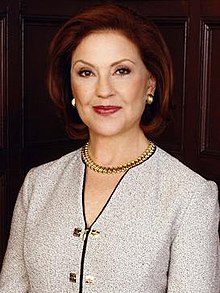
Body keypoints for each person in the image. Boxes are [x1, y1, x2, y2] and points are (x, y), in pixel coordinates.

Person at [0, 3, 219, 293]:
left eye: (122, 71)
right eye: (86, 73)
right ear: (72, 88)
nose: (104, 90)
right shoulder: (38, 184)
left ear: (150, 83)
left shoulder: (189, 196)